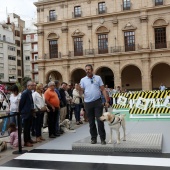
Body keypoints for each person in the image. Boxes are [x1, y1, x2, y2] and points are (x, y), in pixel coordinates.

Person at [79, 64, 109, 145]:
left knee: (100, 121)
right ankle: (93, 138)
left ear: (92, 70)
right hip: (88, 103)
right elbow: (81, 92)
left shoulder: (98, 78)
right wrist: (80, 90)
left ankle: (102, 139)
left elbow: (103, 89)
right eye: (86, 70)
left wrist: (106, 100)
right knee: (91, 122)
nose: (87, 71)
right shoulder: (83, 80)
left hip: (97, 102)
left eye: (89, 69)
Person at [19, 81, 36, 147]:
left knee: (29, 127)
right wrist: (20, 111)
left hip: (30, 112)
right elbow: (21, 103)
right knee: (26, 128)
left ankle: (29, 139)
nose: (33, 86)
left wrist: (32, 108)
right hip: (25, 113)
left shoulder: (30, 92)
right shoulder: (25, 93)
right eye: (31, 85)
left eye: (33, 85)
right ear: (28, 86)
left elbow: (30, 102)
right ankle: (26, 141)